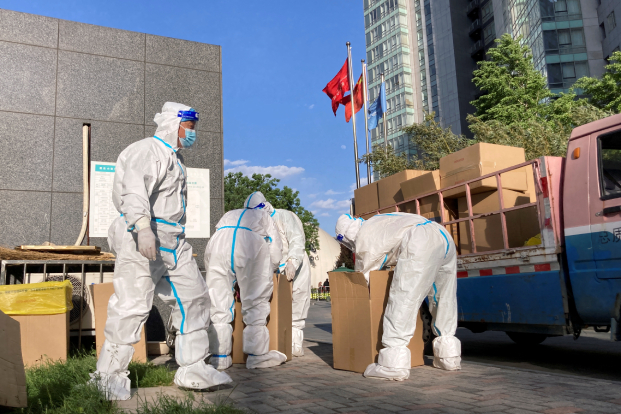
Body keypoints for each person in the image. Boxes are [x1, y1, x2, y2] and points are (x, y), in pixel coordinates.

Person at [90, 102, 232, 400]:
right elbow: (134, 191)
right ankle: (108, 376)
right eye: (189, 127)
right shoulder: (147, 151)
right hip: (143, 235)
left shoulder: (174, 158)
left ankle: (193, 367)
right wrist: (142, 228)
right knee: (132, 304)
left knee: (194, 296)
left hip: (173, 238)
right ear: (173, 123)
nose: (193, 133)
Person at [335, 212, 460, 381]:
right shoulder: (379, 221)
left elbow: (364, 276)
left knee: (403, 297)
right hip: (443, 235)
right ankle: (448, 357)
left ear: (348, 234)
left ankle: (392, 365)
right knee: (443, 297)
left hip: (420, 240)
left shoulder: (365, 234)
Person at [204, 191, 286, 370]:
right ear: (264, 205)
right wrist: (271, 270)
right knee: (255, 301)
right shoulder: (264, 216)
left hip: (218, 246)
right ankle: (257, 356)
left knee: (217, 300)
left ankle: (219, 356)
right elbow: (275, 247)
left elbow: (211, 253)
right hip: (250, 245)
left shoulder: (229, 214)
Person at [263, 202, 312, 357]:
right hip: (276, 268)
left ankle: (295, 343)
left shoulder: (283, 216)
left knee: (298, 299)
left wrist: (292, 261)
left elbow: (297, 240)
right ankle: (277, 340)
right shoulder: (258, 222)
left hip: (295, 264)